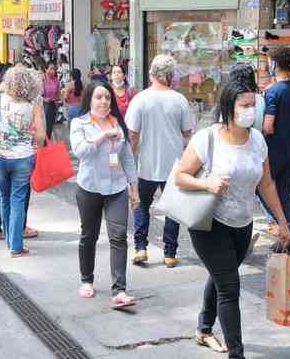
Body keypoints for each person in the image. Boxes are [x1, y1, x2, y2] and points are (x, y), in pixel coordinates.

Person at [175, 77, 290, 359]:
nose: (251, 111)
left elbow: (266, 183)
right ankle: (236, 353)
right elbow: (181, 176)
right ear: (229, 106)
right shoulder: (208, 138)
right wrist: (208, 184)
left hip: (242, 223)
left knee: (221, 276)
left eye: (254, 105)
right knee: (229, 287)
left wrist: (283, 221)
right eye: (245, 105)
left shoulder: (257, 141)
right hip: (209, 223)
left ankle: (204, 328)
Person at [70, 81, 139, 308]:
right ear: (89, 99)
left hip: (116, 187)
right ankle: (86, 279)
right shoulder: (79, 123)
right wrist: (102, 137)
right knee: (88, 235)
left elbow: (127, 157)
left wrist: (133, 186)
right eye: (99, 97)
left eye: (107, 98)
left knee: (119, 236)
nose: (103, 102)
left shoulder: (119, 124)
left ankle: (119, 290)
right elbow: (81, 152)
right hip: (89, 187)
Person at [125, 54, 194, 268]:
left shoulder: (140, 99)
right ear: (170, 75)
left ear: (151, 73)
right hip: (173, 165)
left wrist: (129, 162)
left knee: (141, 205)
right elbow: (187, 132)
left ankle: (140, 248)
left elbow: (133, 135)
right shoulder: (179, 100)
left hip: (145, 165)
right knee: (172, 209)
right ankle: (169, 253)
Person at [0, 65, 46, 258]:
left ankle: (10, 242)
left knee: (4, 198)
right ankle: (16, 246)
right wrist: (33, 141)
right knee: (18, 200)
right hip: (23, 158)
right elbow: (41, 135)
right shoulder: (33, 104)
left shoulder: (0, 98)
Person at [260, 47, 290, 244]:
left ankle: (279, 223)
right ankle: (288, 223)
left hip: (274, 148)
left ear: (274, 64)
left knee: (262, 187)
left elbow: (268, 126)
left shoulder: (271, 92)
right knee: (284, 188)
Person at [42, 64, 62, 142]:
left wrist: (58, 99)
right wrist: (44, 99)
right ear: (46, 69)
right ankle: (44, 143)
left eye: (54, 69)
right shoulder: (43, 80)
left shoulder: (56, 80)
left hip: (53, 105)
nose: (52, 71)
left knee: (50, 126)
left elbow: (58, 93)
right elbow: (38, 95)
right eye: (50, 69)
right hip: (45, 105)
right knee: (45, 125)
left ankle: (47, 143)